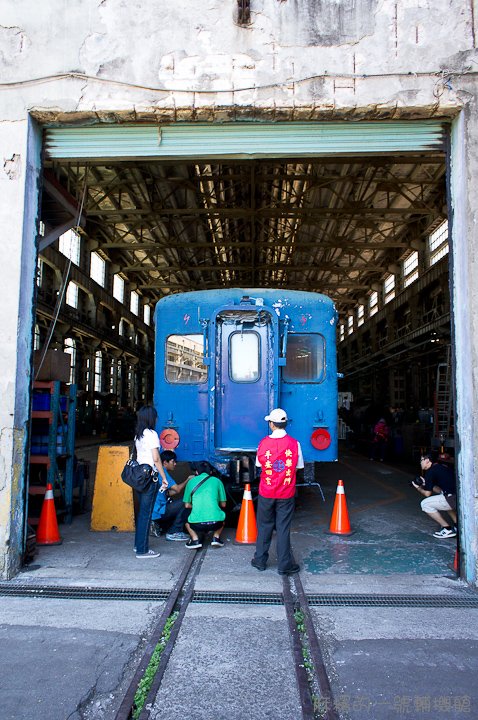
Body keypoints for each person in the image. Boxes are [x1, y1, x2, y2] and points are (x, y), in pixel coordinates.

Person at [251, 408, 304, 575]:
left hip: (266, 492)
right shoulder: (295, 444)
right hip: (286, 493)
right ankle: (284, 565)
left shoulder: (263, 443)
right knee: (283, 528)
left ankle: (260, 560)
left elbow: (259, 466)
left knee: (264, 526)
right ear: (285, 423)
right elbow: (299, 467)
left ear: (272, 424)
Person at [133, 405, 168, 558]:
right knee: (146, 515)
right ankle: (142, 550)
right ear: (151, 418)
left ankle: (138, 545)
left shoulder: (138, 435)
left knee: (142, 513)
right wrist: (164, 477)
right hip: (149, 478)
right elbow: (156, 458)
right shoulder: (152, 434)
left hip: (139, 477)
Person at [412, 451, 458, 538]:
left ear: (427, 460)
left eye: (421, 460)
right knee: (443, 497)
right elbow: (439, 490)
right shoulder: (441, 467)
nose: (420, 462)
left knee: (425, 504)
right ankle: (457, 526)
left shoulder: (430, 472)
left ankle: (447, 529)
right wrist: (427, 484)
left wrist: (418, 488)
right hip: (458, 497)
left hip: (452, 498)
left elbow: (427, 494)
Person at [182, 462, 227, 549]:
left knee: (185, 513)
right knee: (223, 511)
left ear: (197, 473)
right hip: (216, 523)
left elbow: (187, 505)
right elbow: (223, 504)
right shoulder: (217, 481)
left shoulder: (191, 482)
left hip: (196, 524)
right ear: (210, 472)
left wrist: (197, 506)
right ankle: (216, 537)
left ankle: (195, 539)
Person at [150, 450, 190, 541]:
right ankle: (174, 532)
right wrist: (188, 479)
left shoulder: (155, 470)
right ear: (165, 462)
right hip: (159, 511)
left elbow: (168, 493)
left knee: (177, 502)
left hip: (154, 512)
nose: (175, 464)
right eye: (173, 461)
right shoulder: (162, 472)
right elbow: (177, 489)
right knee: (185, 502)